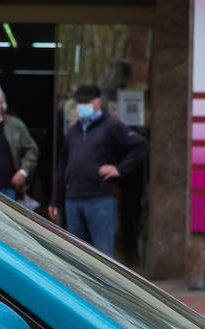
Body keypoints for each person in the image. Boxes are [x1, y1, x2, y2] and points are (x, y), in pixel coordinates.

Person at [49, 83, 148, 256]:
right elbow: (62, 167)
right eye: (79, 102)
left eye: (86, 101)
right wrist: (55, 200)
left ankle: (105, 285)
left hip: (100, 200)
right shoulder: (73, 132)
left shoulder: (112, 126)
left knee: (103, 256)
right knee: (77, 256)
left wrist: (119, 169)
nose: (82, 105)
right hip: (73, 200)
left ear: (97, 103)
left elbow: (140, 145)